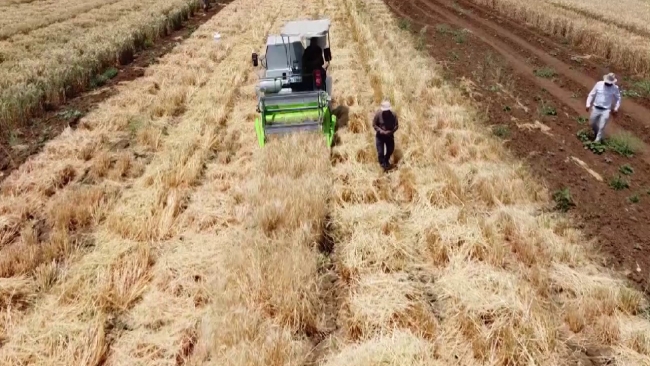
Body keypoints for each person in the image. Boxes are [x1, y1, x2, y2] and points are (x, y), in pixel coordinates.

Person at [586, 72, 621, 143]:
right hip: (596, 108)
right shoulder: (599, 84)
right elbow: (591, 94)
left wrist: (616, 108)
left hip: (606, 110)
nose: (608, 84)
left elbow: (618, 98)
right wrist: (588, 104)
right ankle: (597, 133)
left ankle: (597, 141)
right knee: (592, 123)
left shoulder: (615, 88)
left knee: (602, 126)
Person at [373, 100, 399, 171]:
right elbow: (374, 125)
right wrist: (381, 131)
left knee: (391, 149)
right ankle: (382, 166)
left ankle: (386, 159)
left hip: (389, 136)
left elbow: (396, 126)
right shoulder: (378, 114)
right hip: (380, 136)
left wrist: (391, 132)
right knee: (380, 152)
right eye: (385, 111)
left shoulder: (393, 115)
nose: (386, 112)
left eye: (387, 110)